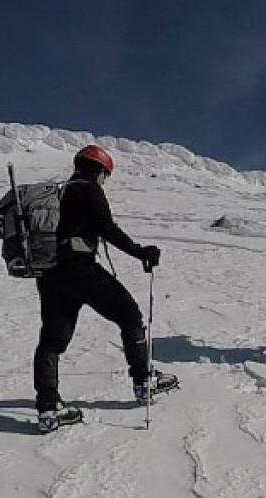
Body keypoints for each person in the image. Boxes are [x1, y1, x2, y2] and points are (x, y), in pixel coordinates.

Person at [33, 144, 177, 434]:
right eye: (105, 175)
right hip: (80, 269)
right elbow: (106, 228)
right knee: (129, 315)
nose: (105, 181)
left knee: (52, 340)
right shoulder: (88, 189)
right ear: (98, 169)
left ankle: (49, 408)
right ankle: (143, 379)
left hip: (49, 274)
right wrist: (141, 252)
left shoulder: (58, 193)